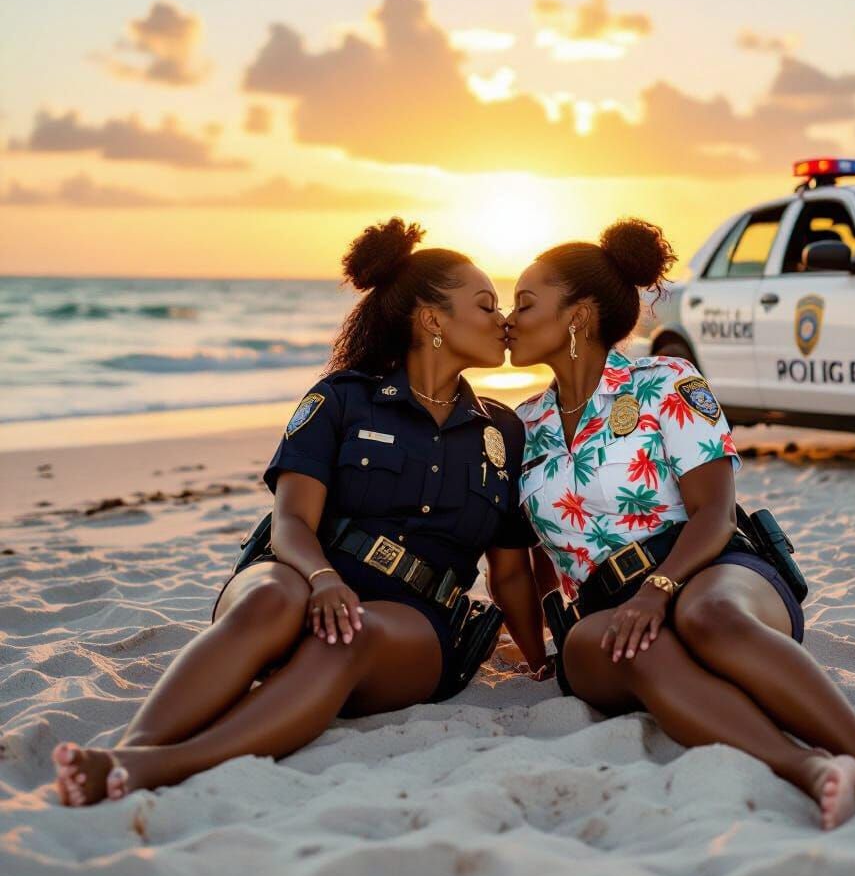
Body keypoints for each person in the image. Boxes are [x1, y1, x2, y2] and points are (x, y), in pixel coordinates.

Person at [53, 218, 548, 807]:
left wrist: (541, 661)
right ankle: (134, 747)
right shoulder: (340, 398)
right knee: (270, 598)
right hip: (297, 577)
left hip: (412, 625)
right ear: (432, 319)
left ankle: (155, 766)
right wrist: (322, 579)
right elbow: (291, 523)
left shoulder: (504, 430)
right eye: (486, 303)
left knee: (348, 634)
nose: (502, 319)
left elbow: (511, 572)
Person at [504, 217, 855, 833]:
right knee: (638, 645)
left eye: (525, 303)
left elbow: (714, 511)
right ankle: (808, 768)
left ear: (578, 315)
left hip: (714, 567)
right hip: (602, 609)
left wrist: (658, 590)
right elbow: (531, 557)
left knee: (705, 615)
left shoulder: (665, 382)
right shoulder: (519, 426)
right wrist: (538, 648)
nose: (509, 318)